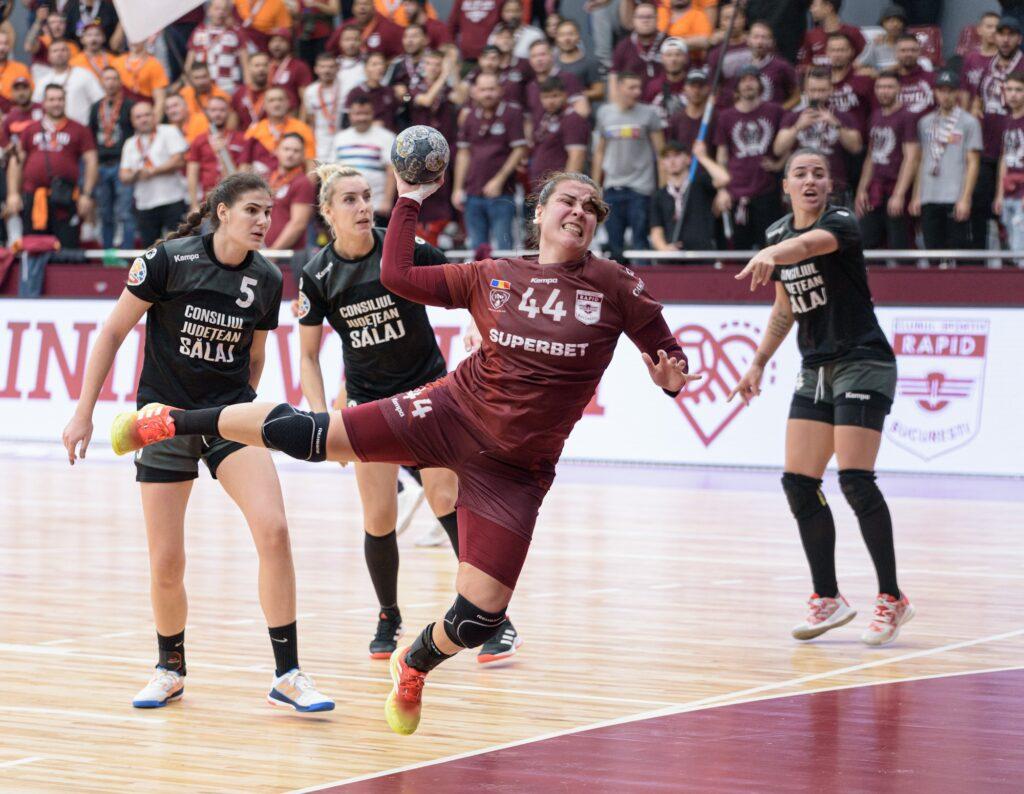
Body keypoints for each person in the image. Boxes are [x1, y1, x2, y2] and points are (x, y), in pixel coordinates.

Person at [108, 168, 698, 735]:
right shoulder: (491, 274)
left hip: (517, 469)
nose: (580, 212)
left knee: (480, 616)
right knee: (311, 436)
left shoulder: (617, 285)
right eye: (568, 200)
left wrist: (671, 378)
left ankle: (413, 664)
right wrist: (410, 197)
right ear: (540, 213)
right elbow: (398, 273)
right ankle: (170, 421)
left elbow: (669, 355)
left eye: (592, 207)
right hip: (446, 413)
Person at [63, 172, 333, 713]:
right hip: (162, 420)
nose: (263, 221)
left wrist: (237, 412)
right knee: (167, 560)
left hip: (229, 417)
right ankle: (170, 669)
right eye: (253, 210)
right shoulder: (168, 260)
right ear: (222, 211)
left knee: (275, 531)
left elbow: (255, 357)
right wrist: (83, 412)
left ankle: (288, 674)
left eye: (268, 211)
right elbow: (112, 332)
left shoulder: (266, 276)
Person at [296, 163, 524, 662]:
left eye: (366, 196)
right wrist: (318, 416)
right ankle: (388, 615)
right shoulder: (317, 275)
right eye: (350, 200)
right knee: (379, 516)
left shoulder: (404, 250)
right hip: (369, 402)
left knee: (446, 498)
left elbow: (471, 287)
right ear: (328, 212)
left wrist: (480, 322)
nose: (363, 207)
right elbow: (308, 357)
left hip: (427, 395)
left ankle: (494, 618)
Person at [729, 147, 913, 648]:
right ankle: (827, 597)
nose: (810, 180)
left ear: (829, 185)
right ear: (785, 185)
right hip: (815, 367)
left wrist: (773, 254)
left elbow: (808, 246)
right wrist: (758, 362)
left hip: (863, 360)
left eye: (819, 174)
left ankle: (892, 598)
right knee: (798, 482)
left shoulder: (840, 223)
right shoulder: (775, 235)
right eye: (800, 174)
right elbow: (785, 308)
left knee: (854, 479)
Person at [5, 83, 98, 250]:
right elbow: (16, 161)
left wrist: (87, 194)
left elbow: (91, 161)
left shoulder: (79, 129)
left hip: (66, 197)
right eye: (52, 99)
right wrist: (13, 194)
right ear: (44, 102)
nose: (56, 103)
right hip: (34, 197)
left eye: (60, 99)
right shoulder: (30, 129)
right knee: (34, 247)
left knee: (67, 247)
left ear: (65, 101)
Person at [592, 71, 664, 261]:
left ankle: (643, 279)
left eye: (639, 87)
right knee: (614, 246)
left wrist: (662, 189)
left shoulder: (649, 114)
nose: (637, 92)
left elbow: (661, 153)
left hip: (641, 188)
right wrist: (595, 186)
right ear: (619, 88)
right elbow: (599, 151)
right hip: (612, 187)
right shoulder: (604, 113)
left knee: (640, 243)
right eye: (632, 87)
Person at [713, 64, 785, 249]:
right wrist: (722, 190)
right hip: (736, 192)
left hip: (767, 191)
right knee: (739, 249)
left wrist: (779, 164)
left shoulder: (775, 111)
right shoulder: (725, 116)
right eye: (743, 80)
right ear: (737, 87)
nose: (748, 84)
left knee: (770, 247)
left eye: (752, 79)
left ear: (760, 84)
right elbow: (722, 156)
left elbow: (789, 143)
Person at [453, 72, 528, 250]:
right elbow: (463, 153)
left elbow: (519, 149)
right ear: (474, 92)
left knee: (504, 248)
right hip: (473, 191)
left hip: (503, 193)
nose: (488, 94)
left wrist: (498, 180)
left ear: (500, 90)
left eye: (492, 89)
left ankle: (504, 273)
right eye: (483, 90)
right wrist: (457, 188)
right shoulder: (470, 116)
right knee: (477, 250)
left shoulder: (512, 113)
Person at [910, 70, 981, 251]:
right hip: (929, 196)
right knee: (932, 250)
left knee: (957, 251)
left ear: (957, 92)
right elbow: (922, 160)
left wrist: (965, 198)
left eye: (950, 91)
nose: (945, 95)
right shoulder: (925, 122)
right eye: (941, 90)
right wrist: (917, 195)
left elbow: (973, 163)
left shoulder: (969, 122)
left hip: (954, 196)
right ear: (935, 92)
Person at [773, 67, 862, 204]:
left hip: (835, 188)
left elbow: (856, 147)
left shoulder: (843, 117)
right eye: (813, 90)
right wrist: (798, 127)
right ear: (805, 90)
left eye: (822, 90)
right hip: (802, 188)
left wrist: (835, 124)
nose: (817, 95)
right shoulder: (793, 117)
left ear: (831, 90)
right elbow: (778, 149)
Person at [855, 70, 919, 250]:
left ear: (899, 89)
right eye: (880, 87)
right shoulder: (875, 115)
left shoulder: (908, 116)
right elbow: (871, 156)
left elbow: (912, 158)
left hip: (897, 188)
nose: (884, 91)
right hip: (875, 189)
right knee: (866, 242)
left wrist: (899, 194)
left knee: (900, 244)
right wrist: (862, 190)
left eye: (889, 87)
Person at [119, 102, 189, 247]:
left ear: (155, 116)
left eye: (147, 115)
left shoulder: (169, 131)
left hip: (172, 199)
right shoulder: (130, 143)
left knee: (179, 247)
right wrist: (137, 174)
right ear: (132, 121)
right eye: (138, 117)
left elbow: (179, 160)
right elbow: (123, 176)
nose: (143, 119)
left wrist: (152, 171)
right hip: (145, 204)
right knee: (150, 250)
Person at [649, 139, 729, 252]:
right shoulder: (659, 196)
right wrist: (664, 249)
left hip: (703, 254)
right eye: (667, 157)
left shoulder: (701, 183)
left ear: (688, 159)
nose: (672, 161)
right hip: (673, 257)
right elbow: (656, 230)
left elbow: (724, 178)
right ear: (662, 164)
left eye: (676, 155)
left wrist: (702, 157)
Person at [88, 66, 135, 248]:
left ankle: (128, 254)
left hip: (122, 164)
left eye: (114, 78)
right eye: (107, 79)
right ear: (101, 82)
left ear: (120, 82)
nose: (111, 82)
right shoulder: (95, 108)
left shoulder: (129, 105)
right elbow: (91, 136)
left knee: (125, 212)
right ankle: (108, 255)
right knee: (105, 212)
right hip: (101, 165)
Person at [331, 96, 397, 225]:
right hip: (346, 207)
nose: (361, 118)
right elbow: (332, 173)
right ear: (350, 115)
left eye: (365, 113)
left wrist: (387, 201)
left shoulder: (387, 137)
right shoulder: (340, 138)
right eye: (357, 114)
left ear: (372, 114)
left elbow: (392, 171)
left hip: (375, 206)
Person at [527, 77, 589, 191]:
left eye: (555, 96)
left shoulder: (573, 119)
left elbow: (576, 156)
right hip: (542, 187)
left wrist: (566, 189)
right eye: (545, 97)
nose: (550, 101)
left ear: (565, 95)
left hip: (558, 189)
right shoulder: (547, 117)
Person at [31, 38, 103, 126]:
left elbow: (99, 102)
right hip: (51, 131)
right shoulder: (43, 81)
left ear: (70, 54)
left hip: (82, 129)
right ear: (48, 57)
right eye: (55, 51)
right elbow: (36, 107)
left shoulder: (85, 75)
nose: (59, 53)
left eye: (63, 50)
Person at [185, 0, 249, 96]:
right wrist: (188, 86)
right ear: (209, 10)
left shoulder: (236, 32)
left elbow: (246, 65)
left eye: (224, 9)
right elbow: (189, 64)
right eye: (217, 8)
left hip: (229, 88)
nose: (220, 12)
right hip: (203, 88)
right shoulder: (198, 31)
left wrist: (248, 88)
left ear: (229, 12)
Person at [265, 133, 315, 251]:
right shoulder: (269, 177)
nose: (290, 154)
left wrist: (273, 253)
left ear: (303, 155)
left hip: (287, 255)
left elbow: (298, 224)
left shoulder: (303, 183)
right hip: (264, 251)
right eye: (286, 149)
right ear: (277, 150)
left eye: (296, 151)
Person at [245, 86, 317, 166]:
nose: (277, 104)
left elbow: (310, 161)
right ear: (264, 105)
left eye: (280, 99)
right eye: (271, 100)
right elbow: (244, 160)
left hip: (294, 173)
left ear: (288, 103)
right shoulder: (254, 130)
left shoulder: (302, 128)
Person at [995, 72, 1024, 262]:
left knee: (1021, 253)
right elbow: (1004, 159)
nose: (1013, 94)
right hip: (1008, 194)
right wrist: (999, 194)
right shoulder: (1006, 120)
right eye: (1009, 89)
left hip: (1022, 194)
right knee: (1012, 251)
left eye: (1019, 90)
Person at [798, 0, 865, 70]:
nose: (811, 9)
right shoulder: (810, 35)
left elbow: (865, 61)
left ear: (828, 7)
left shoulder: (853, 33)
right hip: (819, 77)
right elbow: (804, 65)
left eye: (814, 5)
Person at [301, 51, 344, 162]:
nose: (327, 70)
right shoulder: (310, 91)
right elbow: (310, 120)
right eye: (323, 67)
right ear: (316, 69)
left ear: (337, 68)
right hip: (320, 143)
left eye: (331, 67)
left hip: (342, 140)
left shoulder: (345, 89)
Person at [114, 38, 170, 121]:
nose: (134, 41)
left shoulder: (154, 64)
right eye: (131, 38)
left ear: (145, 40)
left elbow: (160, 100)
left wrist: (153, 123)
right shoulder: (117, 63)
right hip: (122, 115)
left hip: (145, 114)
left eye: (137, 38)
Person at [0, 29, 32, 101]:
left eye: (5, 43)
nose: (2, 48)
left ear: (10, 47)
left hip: (14, 106)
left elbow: (29, 95)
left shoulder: (21, 69)